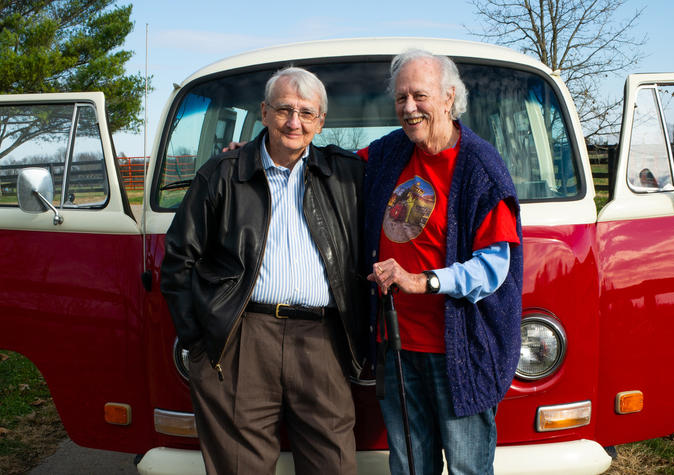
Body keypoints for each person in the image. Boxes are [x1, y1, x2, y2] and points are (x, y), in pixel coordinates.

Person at [161, 66, 365, 475]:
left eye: (307, 113)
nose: (295, 122)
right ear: (264, 112)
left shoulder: (347, 175)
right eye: (284, 109)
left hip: (323, 339)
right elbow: (178, 259)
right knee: (240, 467)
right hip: (241, 340)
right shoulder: (222, 174)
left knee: (334, 465)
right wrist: (199, 343)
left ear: (321, 121)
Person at [361, 50, 523, 474]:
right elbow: (331, 165)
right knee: (411, 466)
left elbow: (492, 268)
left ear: (449, 98)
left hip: (458, 352)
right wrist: (253, 148)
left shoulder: (480, 167)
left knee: (468, 467)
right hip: (396, 346)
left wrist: (422, 282)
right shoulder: (387, 153)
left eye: (420, 96)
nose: (409, 108)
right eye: (401, 98)